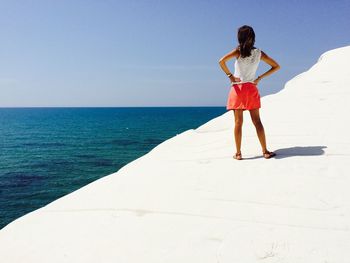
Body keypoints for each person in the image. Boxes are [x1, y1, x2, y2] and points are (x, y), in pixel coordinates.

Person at [219, 25, 280, 160]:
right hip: (251, 88)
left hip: (238, 88)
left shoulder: (238, 51)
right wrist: (259, 78)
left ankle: (238, 153)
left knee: (238, 123)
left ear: (239, 37)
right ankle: (265, 151)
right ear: (253, 37)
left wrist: (230, 76)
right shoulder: (259, 53)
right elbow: (276, 66)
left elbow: (221, 61)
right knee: (257, 121)